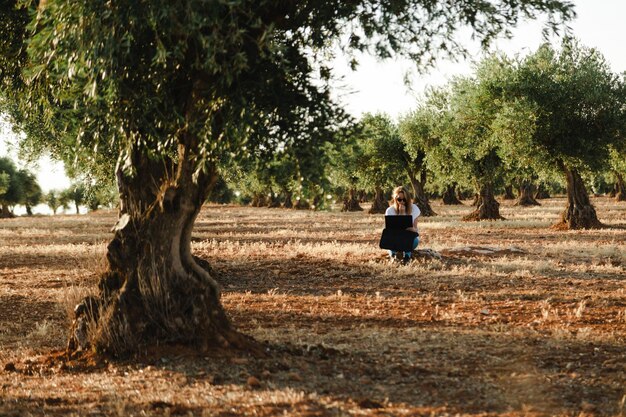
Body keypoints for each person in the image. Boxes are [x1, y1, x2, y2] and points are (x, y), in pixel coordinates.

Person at [385, 186, 420, 263]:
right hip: (395, 237)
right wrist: (401, 214)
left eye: (404, 199)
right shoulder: (390, 211)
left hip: (410, 237)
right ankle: (393, 256)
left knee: (409, 238)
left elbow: (415, 229)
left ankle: (407, 257)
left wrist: (411, 229)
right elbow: (389, 230)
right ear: (395, 199)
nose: (402, 202)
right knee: (390, 239)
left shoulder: (414, 209)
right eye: (399, 199)